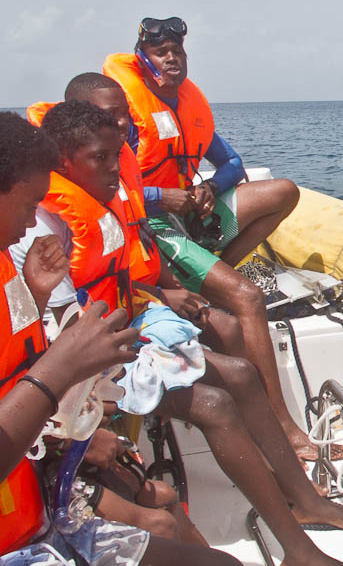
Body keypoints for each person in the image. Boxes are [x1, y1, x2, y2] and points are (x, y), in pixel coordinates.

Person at [25, 102, 343, 566]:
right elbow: (63, 330)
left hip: (124, 328)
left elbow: (117, 272)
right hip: (88, 366)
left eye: (116, 155)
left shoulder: (102, 198)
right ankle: (299, 550)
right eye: (100, 158)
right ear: (63, 162)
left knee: (241, 373)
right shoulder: (43, 229)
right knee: (215, 404)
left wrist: (158, 295)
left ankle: (304, 500)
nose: (114, 168)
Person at [0, 111, 238, 566]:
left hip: (37, 505)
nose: (32, 223)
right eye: (29, 205)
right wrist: (62, 370)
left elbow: (14, 362)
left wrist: (34, 292)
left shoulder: (5, 263)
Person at [101, 18, 318, 460]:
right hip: (155, 224)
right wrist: (162, 197)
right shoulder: (126, 119)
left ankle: (214, 272)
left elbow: (232, 162)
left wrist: (209, 188)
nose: (172, 58)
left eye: (178, 51)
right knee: (249, 298)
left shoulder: (189, 106)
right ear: (142, 59)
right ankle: (283, 425)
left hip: (192, 210)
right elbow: (114, 188)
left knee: (283, 192)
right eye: (161, 51)